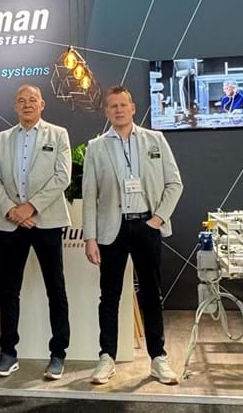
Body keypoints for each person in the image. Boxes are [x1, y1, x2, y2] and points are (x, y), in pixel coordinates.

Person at [82, 85, 183, 385]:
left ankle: (158, 358)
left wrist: (158, 218)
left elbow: (175, 183)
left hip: (146, 226)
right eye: (112, 106)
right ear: (106, 111)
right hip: (111, 230)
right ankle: (106, 358)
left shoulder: (155, 140)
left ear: (133, 107)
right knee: (109, 296)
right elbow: (89, 195)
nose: (118, 110)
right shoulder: (96, 147)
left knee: (151, 294)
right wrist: (90, 237)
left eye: (123, 104)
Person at [0, 84, 71, 380]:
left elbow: (63, 176)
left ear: (42, 104)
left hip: (46, 221)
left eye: (32, 100)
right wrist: (12, 210)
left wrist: (31, 207)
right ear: (15, 106)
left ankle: (58, 354)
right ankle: (8, 353)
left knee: (55, 289)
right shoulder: (2, 138)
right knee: (9, 291)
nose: (27, 104)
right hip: (11, 222)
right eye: (21, 100)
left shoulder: (58, 134)